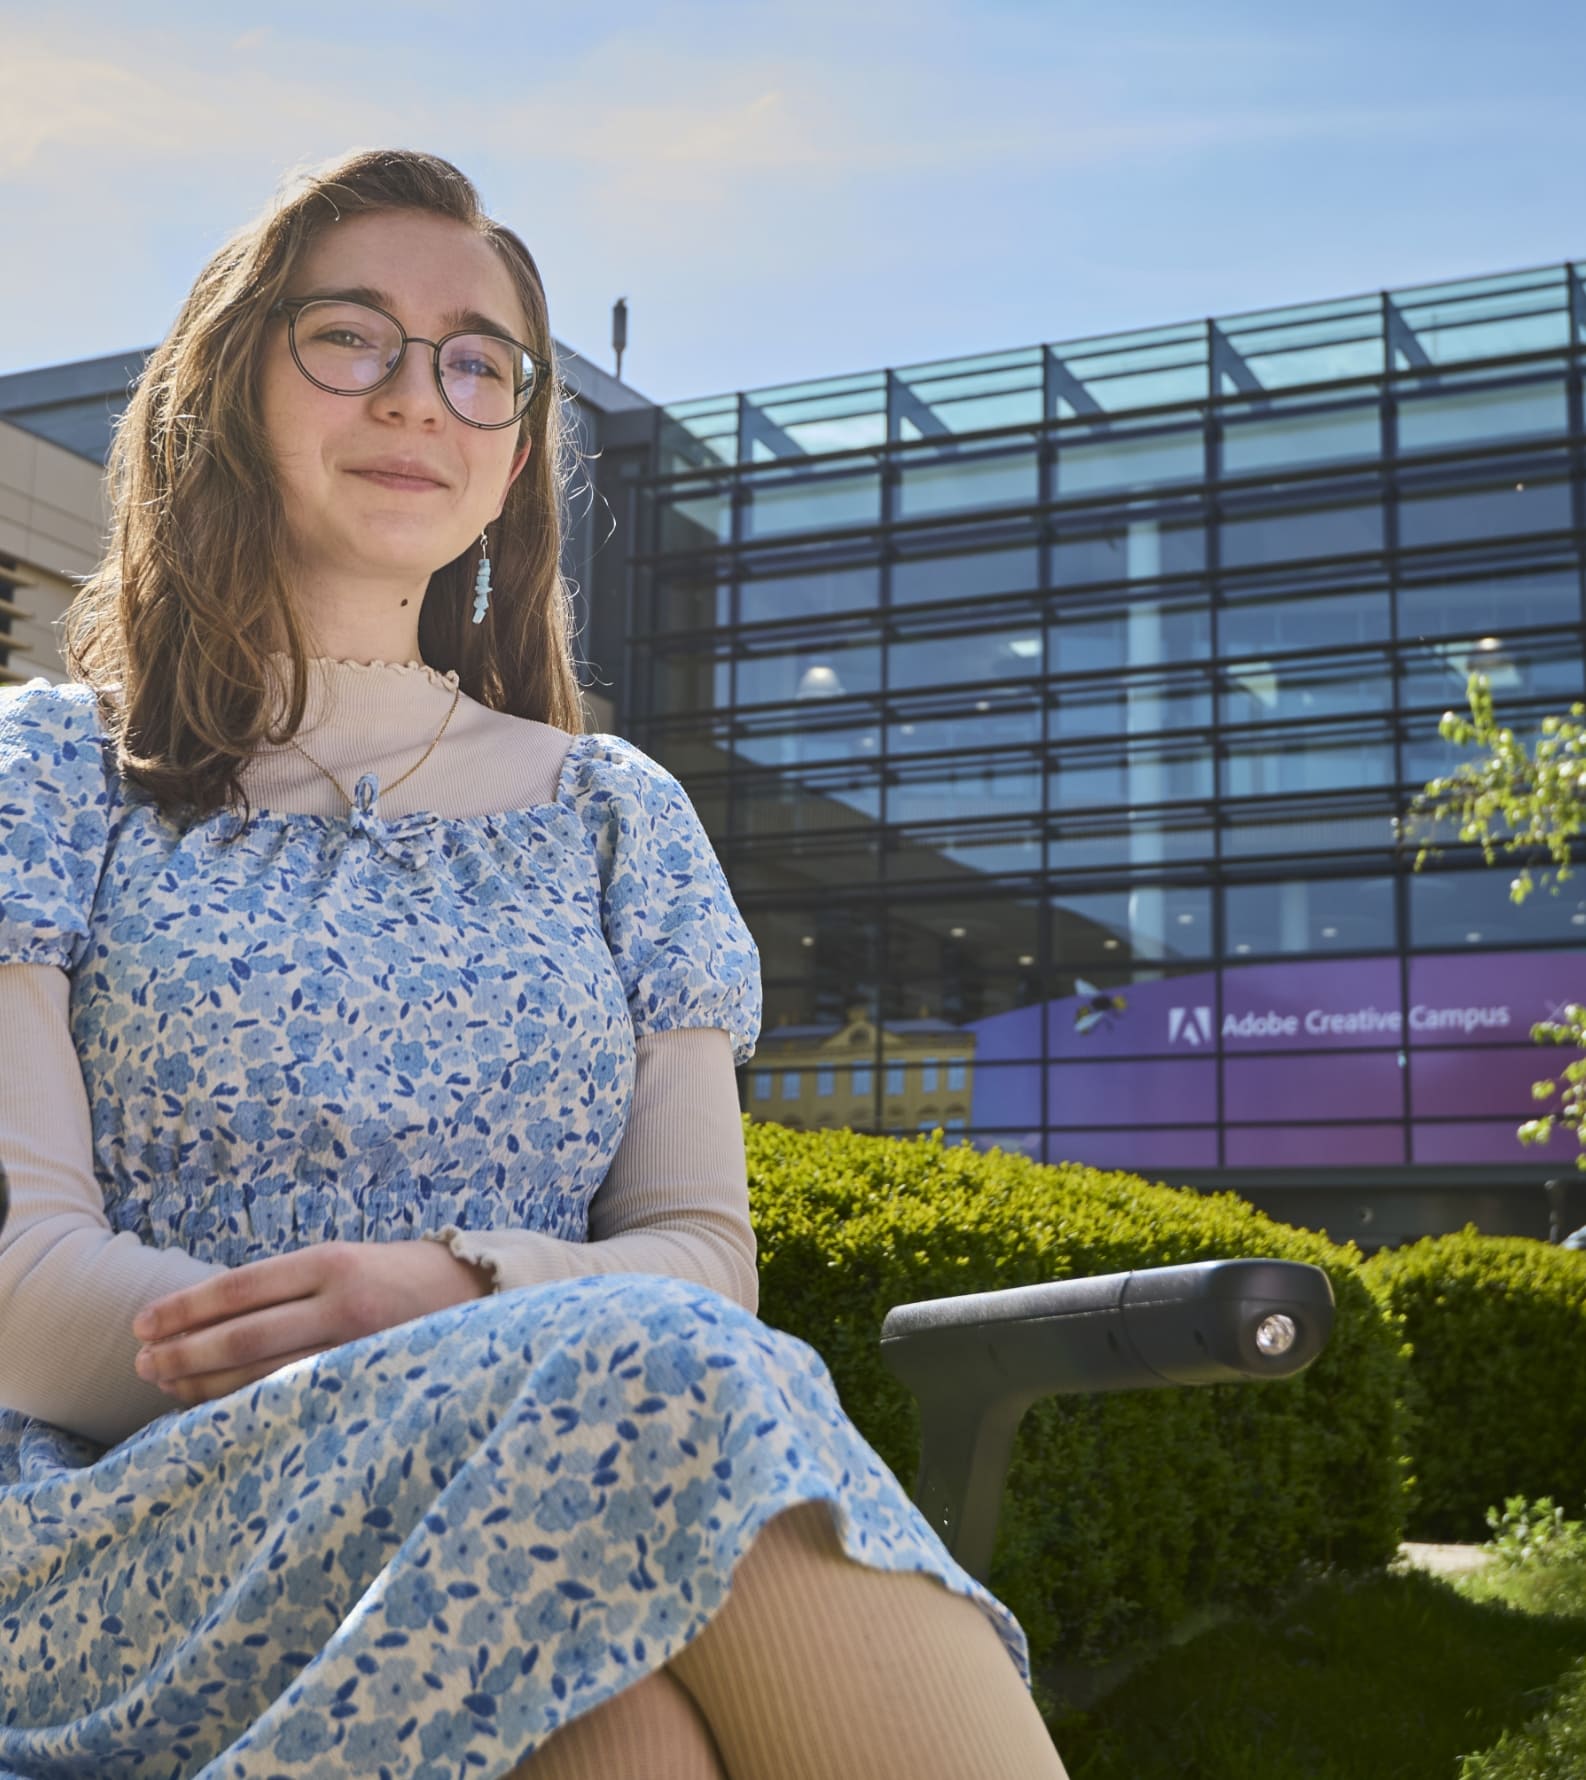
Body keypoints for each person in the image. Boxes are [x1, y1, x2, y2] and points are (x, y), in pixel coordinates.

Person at [0, 149, 1068, 1778]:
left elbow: (707, 1255)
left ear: (514, 460)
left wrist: (462, 1291)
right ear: (225, 391)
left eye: (478, 362)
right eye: (350, 336)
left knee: (618, 1718)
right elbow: (26, 1295)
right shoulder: (52, 774)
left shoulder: (615, 815)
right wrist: (447, 1344)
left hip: (561, 1467)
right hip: (122, 1538)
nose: (420, 396)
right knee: (652, 1375)